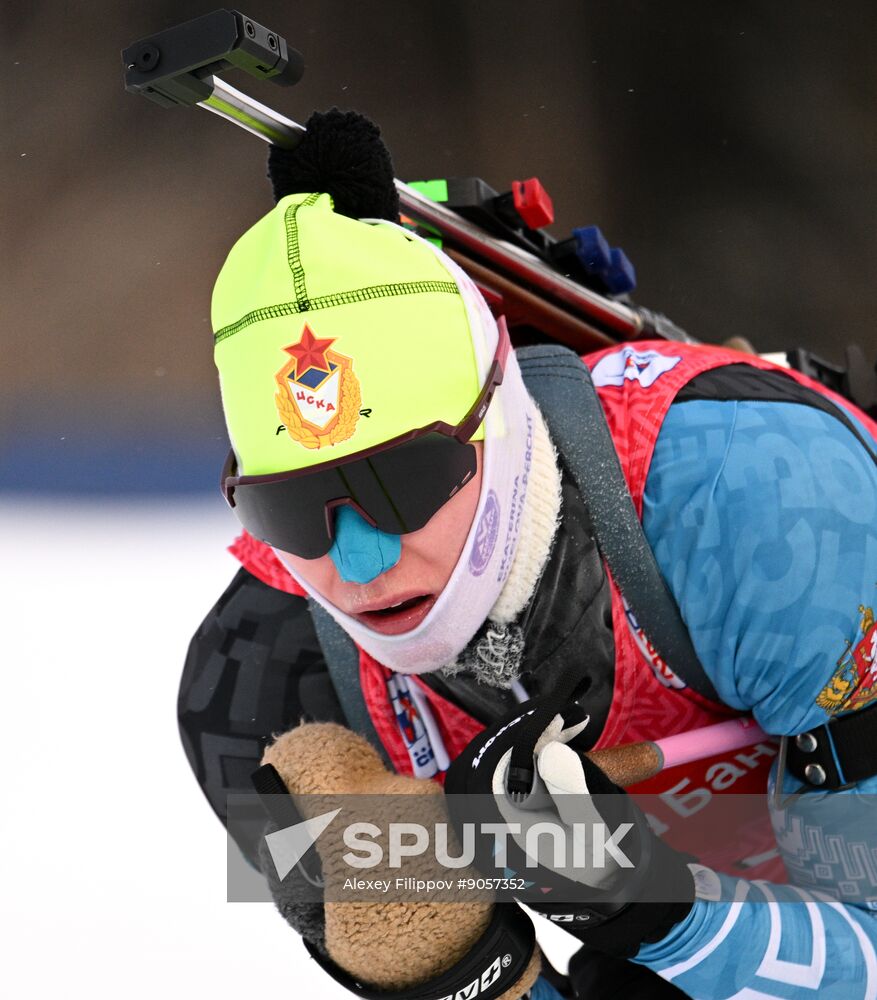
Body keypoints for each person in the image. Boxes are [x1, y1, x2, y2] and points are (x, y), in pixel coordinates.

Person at [178, 111, 877, 999]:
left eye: (403, 483)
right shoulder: (255, 693)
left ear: (500, 415)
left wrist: (651, 908)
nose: (355, 564)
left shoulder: (764, 503)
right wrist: (455, 964)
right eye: (291, 510)